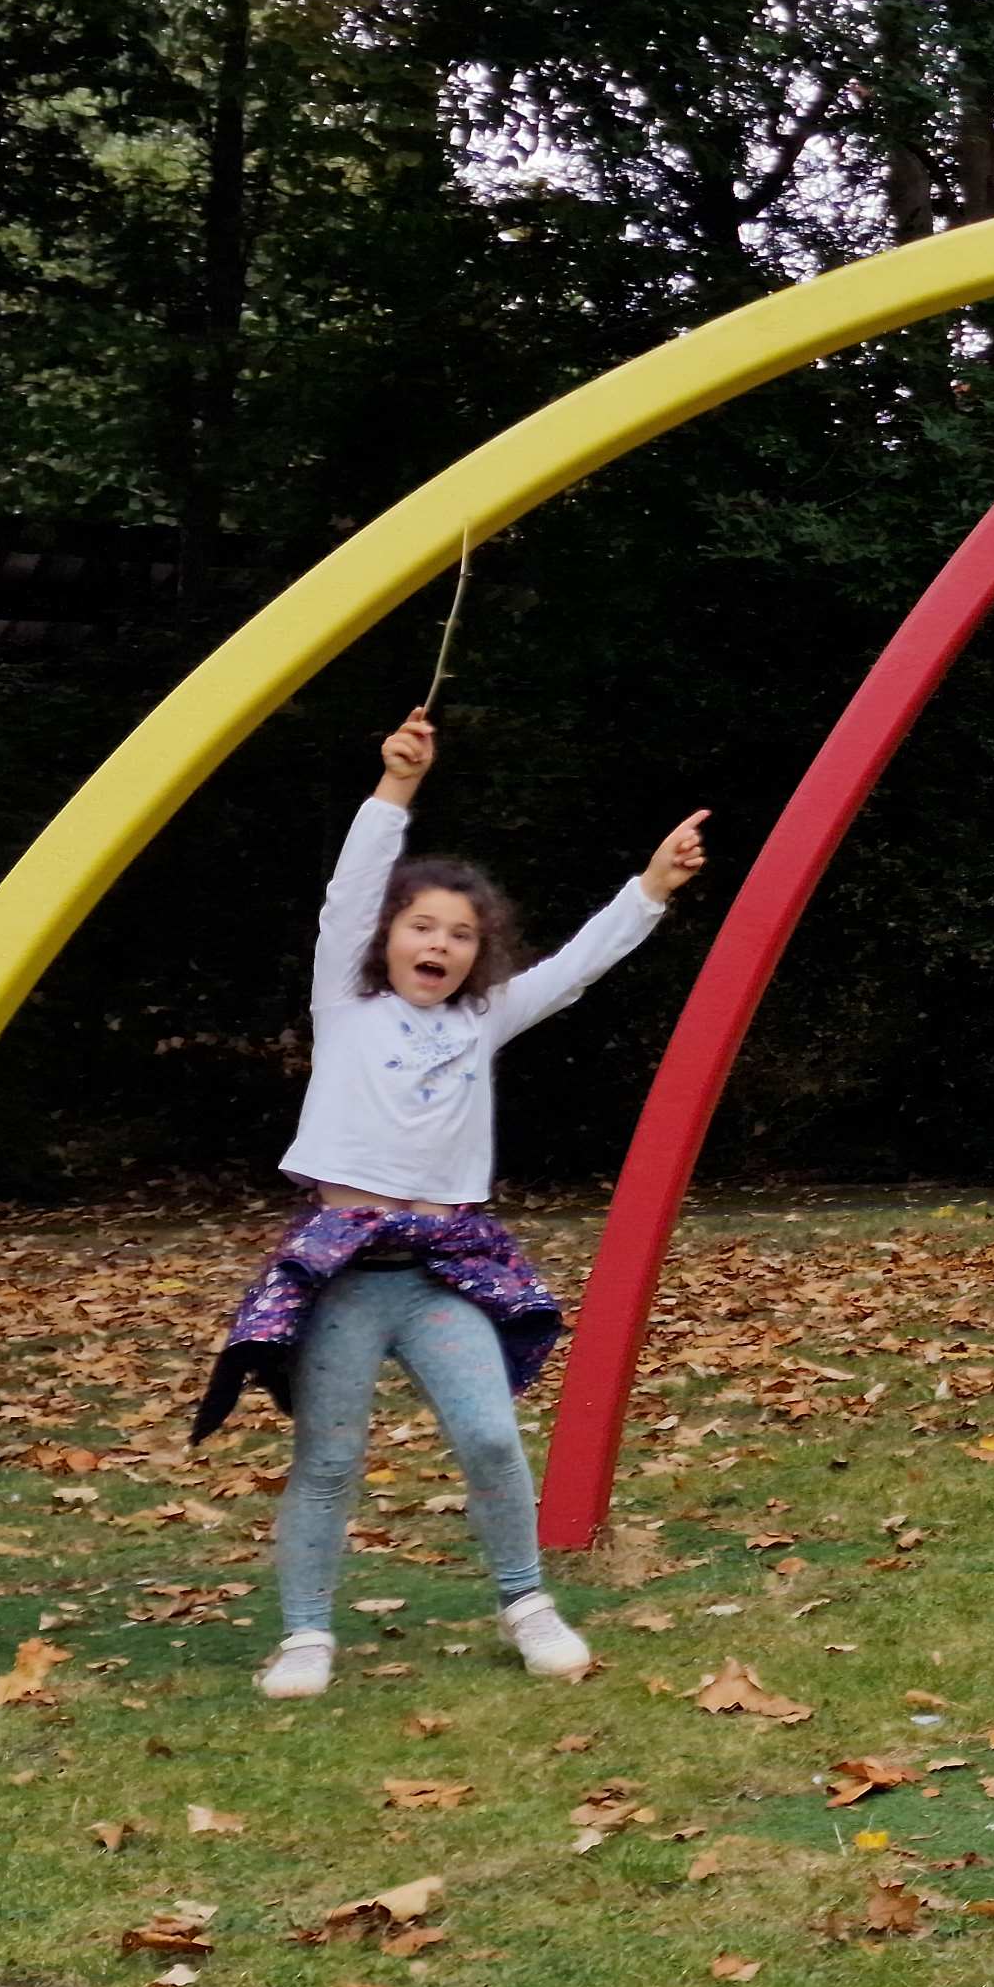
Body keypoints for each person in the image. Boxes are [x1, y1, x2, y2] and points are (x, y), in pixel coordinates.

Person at [193, 714, 702, 1701]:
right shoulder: (346, 1008)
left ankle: (527, 1605)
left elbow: (575, 970)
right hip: (343, 1276)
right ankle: (305, 1637)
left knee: (487, 1436)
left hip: (441, 1274)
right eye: (423, 926)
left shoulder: (483, 1020)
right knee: (330, 1459)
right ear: (388, 939)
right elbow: (346, 897)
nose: (441, 944)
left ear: (479, 957)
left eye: (462, 936)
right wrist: (394, 791)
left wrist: (651, 890)